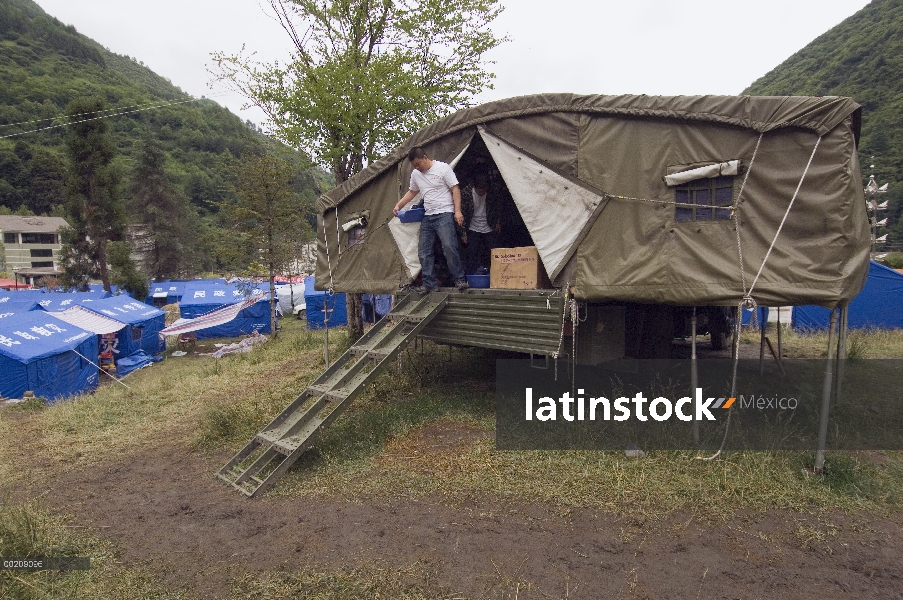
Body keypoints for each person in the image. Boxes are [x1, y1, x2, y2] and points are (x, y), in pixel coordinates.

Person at [393, 147, 469, 293]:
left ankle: (459, 279)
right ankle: (429, 284)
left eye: (418, 164)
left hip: (445, 213)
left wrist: (457, 211)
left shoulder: (443, 168)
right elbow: (412, 191)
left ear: (425, 158)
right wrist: (399, 205)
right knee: (423, 250)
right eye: (414, 166)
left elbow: (455, 189)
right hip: (428, 215)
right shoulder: (416, 174)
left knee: (449, 246)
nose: (417, 168)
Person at [460, 172, 501, 274]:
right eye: (479, 190)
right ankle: (471, 276)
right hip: (472, 226)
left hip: (489, 225)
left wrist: (498, 221)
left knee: (495, 251)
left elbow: (498, 207)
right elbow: (461, 213)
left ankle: (497, 275)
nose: (482, 192)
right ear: (474, 186)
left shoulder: (492, 192)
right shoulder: (466, 193)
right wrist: (463, 232)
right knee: (472, 252)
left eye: (484, 190)